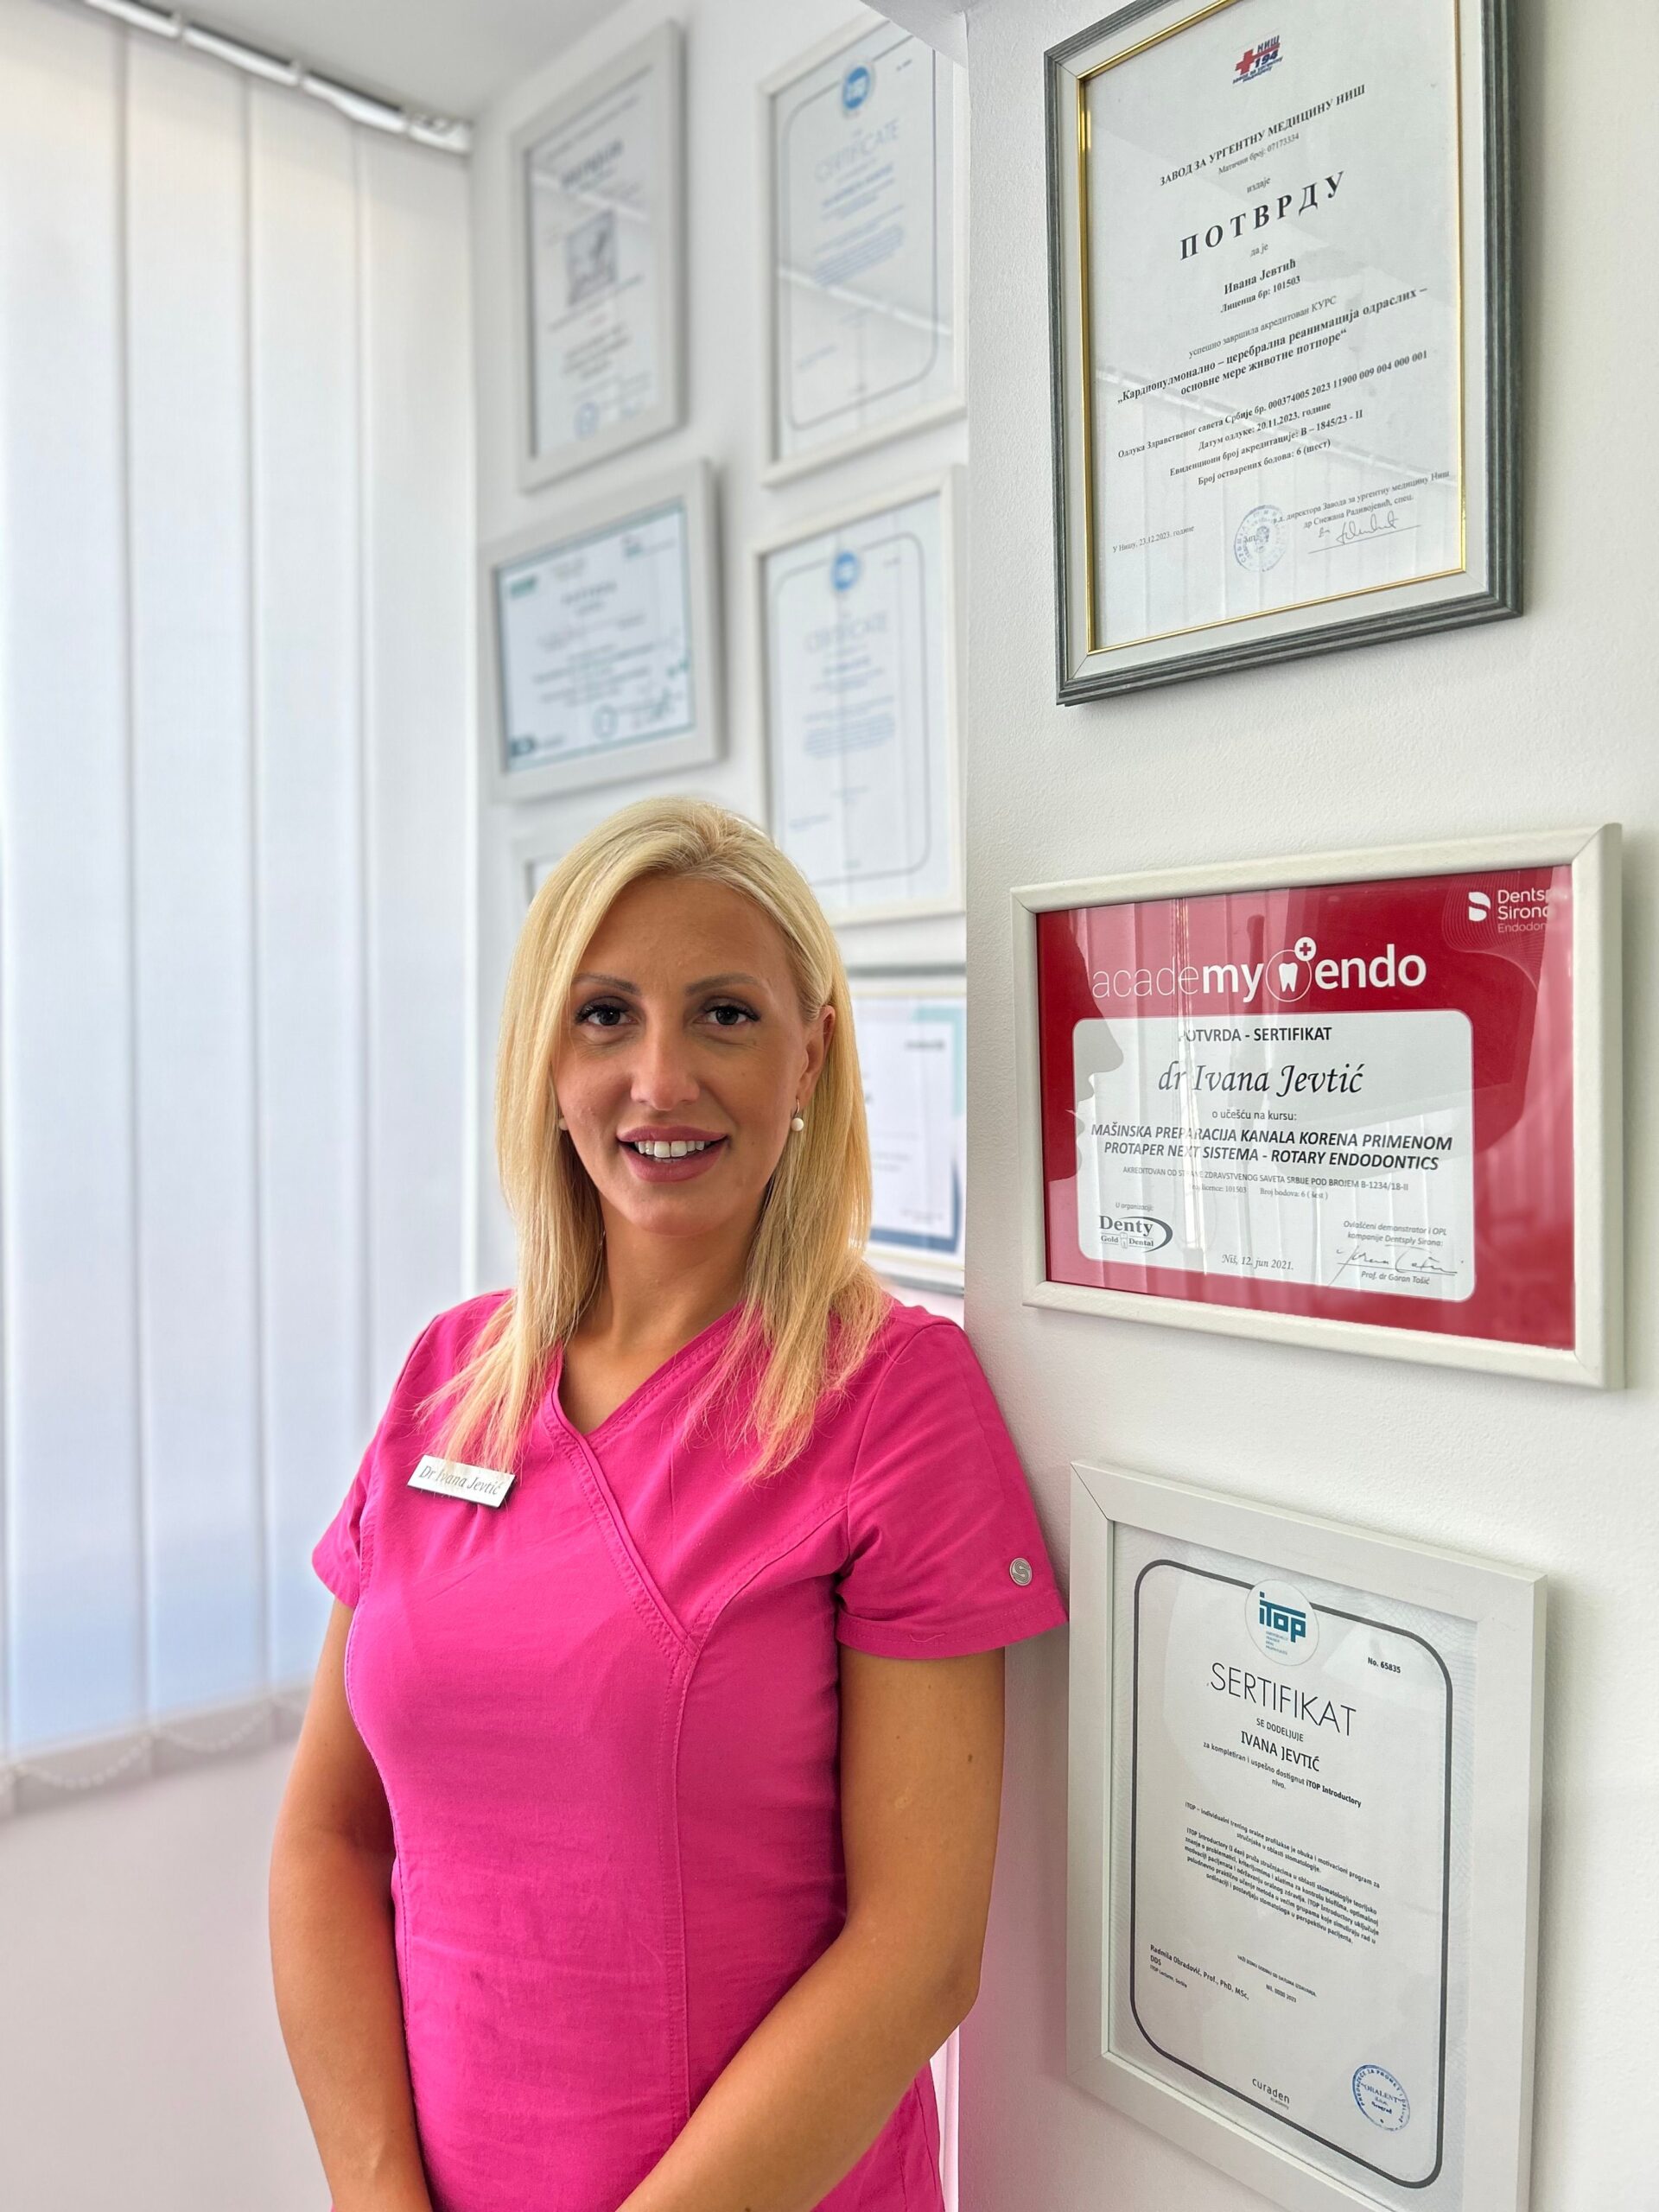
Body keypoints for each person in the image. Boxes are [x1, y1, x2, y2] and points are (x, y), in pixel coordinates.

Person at [269, 796, 1067, 2212]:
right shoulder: (449, 1377)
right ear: (546, 1059)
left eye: (724, 1016)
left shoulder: (893, 1399)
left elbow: (918, 1955)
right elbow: (331, 1836)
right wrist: (375, 2190)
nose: (660, 1078)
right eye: (605, 1017)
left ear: (808, 1054)